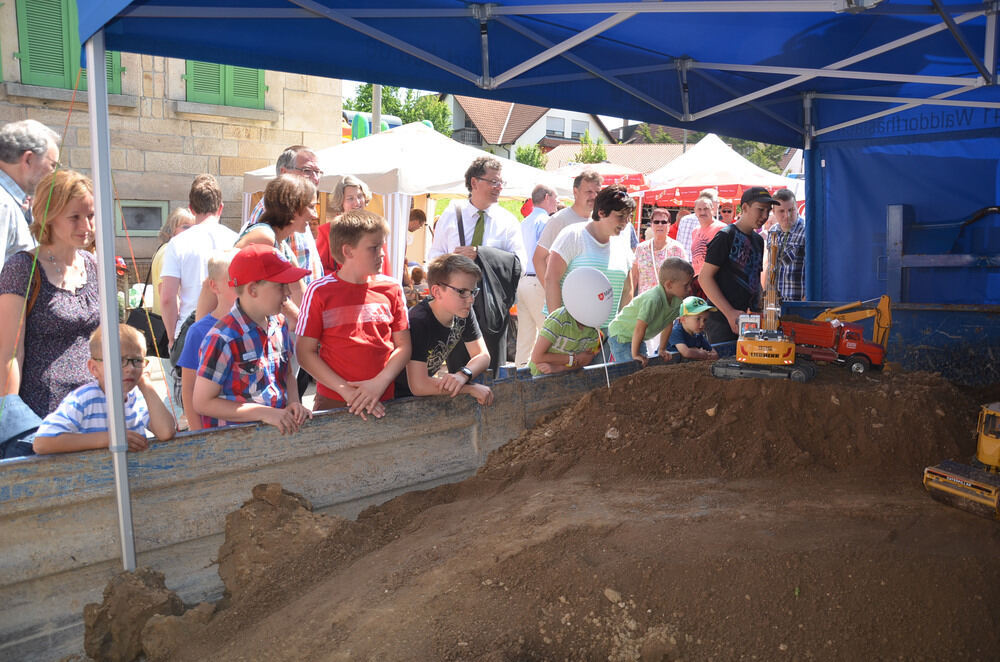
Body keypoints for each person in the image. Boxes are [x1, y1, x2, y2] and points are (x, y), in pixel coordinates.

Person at [0, 169, 100, 418]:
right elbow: (10, 355)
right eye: (74, 217)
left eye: (90, 215)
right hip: (43, 414)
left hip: (96, 409)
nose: (86, 226)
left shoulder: (93, 264)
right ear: (48, 216)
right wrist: (13, 422)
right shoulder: (23, 268)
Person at [296, 210, 411, 420]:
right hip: (333, 401)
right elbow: (305, 353)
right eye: (374, 248)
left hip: (384, 399)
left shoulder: (392, 288)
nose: (382, 253)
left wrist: (379, 383)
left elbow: (403, 345)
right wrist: (347, 391)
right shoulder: (319, 291)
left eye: (382, 246)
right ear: (348, 251)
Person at [192, 245, 312, 434]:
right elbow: (202, 402)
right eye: (281, 285)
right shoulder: (223, 338)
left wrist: (294, 402)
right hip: (235, 445)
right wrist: (263, 413)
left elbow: (287, 374)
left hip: (276, 437)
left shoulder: (279, 324)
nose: (288, 292)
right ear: (253, 290)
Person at [429, 156, 525, 374]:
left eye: (501, 182)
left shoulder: (507, 221)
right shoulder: (452, 214)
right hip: (457, 307)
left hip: (491, 310)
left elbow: (520, 263)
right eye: (493, 181)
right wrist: (450, 266)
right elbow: (434, 255)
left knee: (492, 371)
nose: (498, 187)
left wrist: (481, 254)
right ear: (474, 183)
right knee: (458, 368)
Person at [32, 325, 176, 454]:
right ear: (94, 368)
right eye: (120, 360)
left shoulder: (135, 397)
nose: (130, 369)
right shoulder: (84, 399)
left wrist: (145, 384)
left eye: (137, 360)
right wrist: (110, 439)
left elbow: (166, 432)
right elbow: (42, 443)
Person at [396, 254, 493, 405]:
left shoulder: (463, 311)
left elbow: (483, 355)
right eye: (462, 292)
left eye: (473, 291)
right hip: (395, 399)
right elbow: (418, 385)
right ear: (437, 292)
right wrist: (469, 388)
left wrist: (463, 375)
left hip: (425, 395)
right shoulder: (419, 322)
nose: (471, 299)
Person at [544, 184, 636, 334]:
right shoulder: (573, 235)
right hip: (570, 331)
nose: (625, 222)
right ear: (601, 212)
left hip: (607, 335)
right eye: (620, 216)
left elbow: (627, 290)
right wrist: (559, 326)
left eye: (628, 217)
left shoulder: (622, 244)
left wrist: (620, 328)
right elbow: (551, 279)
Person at [160, 174, 237, 349]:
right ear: (221, 208)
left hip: (191, 332)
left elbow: (167, 298)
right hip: (230, 330)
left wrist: (172, 338)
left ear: (191, 208)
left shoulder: (177, 243)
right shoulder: (237, 240)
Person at [235, 174, 317, 327]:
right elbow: (220, 278)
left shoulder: (281, 245)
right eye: (311, 207)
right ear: (294, 207)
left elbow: (300, 292)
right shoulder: (265, 237)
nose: (315, 215)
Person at [699, 187, 777, 343]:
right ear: (745, 207)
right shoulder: (725, 235)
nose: (764, 216)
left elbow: (754, 277)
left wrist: (763, 305)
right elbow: (704, 278)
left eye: (768, 211)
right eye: (760, 209)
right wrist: (729, 313)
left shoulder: (758, 240)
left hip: (749, 319)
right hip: (720, 319)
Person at [175, 248, 238, 432]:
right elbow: (188, 389)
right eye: (234, 282)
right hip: (214, 428)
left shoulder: (257, 323)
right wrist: (198, 433)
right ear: (215, 286)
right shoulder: (199, 331)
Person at [243, 145, 324, 282]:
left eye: (318, 172)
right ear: (284, 173)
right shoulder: (269, 216)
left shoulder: (297, 210)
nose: (315, 178)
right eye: (307, 171)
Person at [607, 257, 693, 365]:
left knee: (644, 365)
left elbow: (668, 324)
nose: (690, 289)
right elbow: (639, 327)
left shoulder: (678, 300)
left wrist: (662, 349)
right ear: (669, 285)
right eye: (686, 285)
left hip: (637, 336)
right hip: (621, 334)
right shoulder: (653, 300)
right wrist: (635, 355)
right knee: (632, 367)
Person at [0, 120, 60, 270]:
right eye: (53, 165)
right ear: (28, 159)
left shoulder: (13, 201)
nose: (54, 174)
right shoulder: (3, 203)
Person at [532, 169, 601, 284]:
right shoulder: (560, 220)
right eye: (589, 191)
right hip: (565, 298)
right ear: (575, 192)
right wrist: (551, 293)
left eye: (597, 192)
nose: (594, 196)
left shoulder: (598, 221)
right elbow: (538, 259)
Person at [515, 183, 557, 367]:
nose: (557, 202)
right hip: (537, 280)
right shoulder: (546, 222)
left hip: (523, 281)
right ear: (547, 197)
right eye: (555, 198)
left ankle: (520, 371)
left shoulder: (524, 222)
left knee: (525, 335)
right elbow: (546, 256)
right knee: (548, 333)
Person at [315, 174, 370, 274]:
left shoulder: (374, 229)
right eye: (350, 198)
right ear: (341, 202)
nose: (357, 202)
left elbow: (383, 267)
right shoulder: (327, 231)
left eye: (360, 196)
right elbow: (321, 269)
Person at [529, 306, 600, 376]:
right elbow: (537, 357)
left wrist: (559, 368)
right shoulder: (560, 317)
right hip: (536, 376)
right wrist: (573, 359)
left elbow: (585, 361)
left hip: (564, 379)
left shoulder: (593, 329)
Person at [762, 188, 806, 302]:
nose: (787, 215)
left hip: (798, 303)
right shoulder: (773, 231)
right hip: (776, 304)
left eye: (791, 210)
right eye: (781, 211)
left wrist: (806, 300)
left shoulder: (807, 232)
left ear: (797, 208)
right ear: (774, 211)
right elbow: (770, 266)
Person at [666, 296, 720, 361]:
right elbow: (686, 353)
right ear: (683, 319)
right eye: (698, 319)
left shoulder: (698, 334)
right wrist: (701, 353)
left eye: (705, 320)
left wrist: (702, 354)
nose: (703, 324)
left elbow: (715, 354)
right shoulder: (674, 331)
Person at [675, 189, 718, 260]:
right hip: (699, 265)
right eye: (717, 202)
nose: (718, 205)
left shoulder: (684, 219)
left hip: (682, 263)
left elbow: (678, 244)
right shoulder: (710, 223)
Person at [689, 196, 725, 275]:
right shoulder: (695, 231)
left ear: (712, 210)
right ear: (695, 211)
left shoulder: (721, 229)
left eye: (706, 209)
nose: (702, 212)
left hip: (714, 279)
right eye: (699, 209)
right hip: (697, 280)